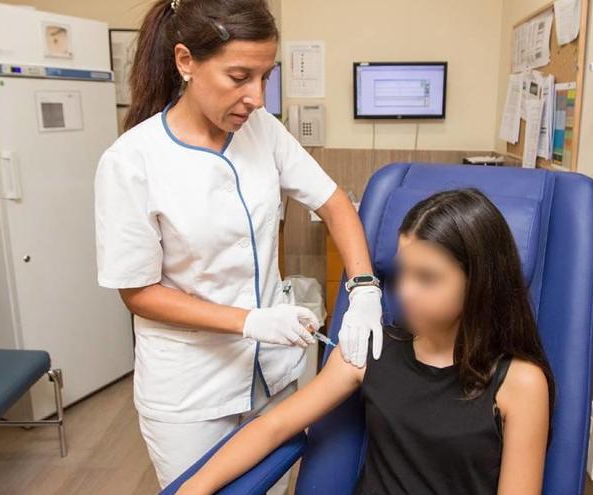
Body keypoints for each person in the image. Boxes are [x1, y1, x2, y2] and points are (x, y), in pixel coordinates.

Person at [93, 0, 383, 489]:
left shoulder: (262, 131)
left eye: (265, 77)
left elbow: (335, 203)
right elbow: (137, 292)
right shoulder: (132, 161)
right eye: (239, 77)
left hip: (273, 372)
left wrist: (365, 290)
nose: (257, 98)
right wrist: (249, 322)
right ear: (185, 61)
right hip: (191, 389)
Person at [174, 188, 556, 495]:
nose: (404, 290)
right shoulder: (371, 350)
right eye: (402, 271)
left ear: (479, 282)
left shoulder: (519, 383)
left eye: (427, 277)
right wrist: (196, 487)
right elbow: (272, 427)